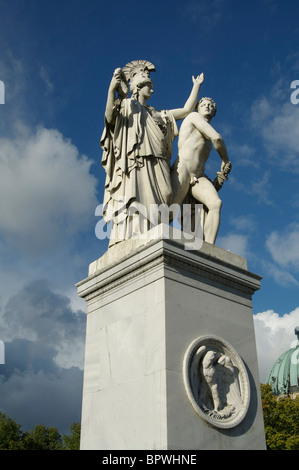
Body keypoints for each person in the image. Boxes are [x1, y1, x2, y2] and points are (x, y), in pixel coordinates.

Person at [100, 60, 204, 246]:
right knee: (137, 198)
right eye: (149, 86)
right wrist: (111, 90)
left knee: (166, 194)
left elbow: (187, 110)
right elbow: (109, 117)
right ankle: (135, 235)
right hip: (137, 162)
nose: (153, 91)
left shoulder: (160, 114)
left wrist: (196, 86)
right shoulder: (127, 106)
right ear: (138, 87)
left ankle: (154, 234)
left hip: (159, 163)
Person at [171, 97, 231, 244]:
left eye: (211, 105)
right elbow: (217, 138)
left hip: (199, 176)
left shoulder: (206, 138)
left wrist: (220, 178)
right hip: (183, 169)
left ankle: (209, 249)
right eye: (204, 104)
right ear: (198, 108)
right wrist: (225, 160)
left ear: (215, 112)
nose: (208, 106)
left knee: (215, 203)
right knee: (169, 212)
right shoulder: (194, 117)